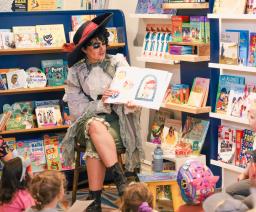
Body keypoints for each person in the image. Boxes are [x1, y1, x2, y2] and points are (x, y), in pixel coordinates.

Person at [61, 13, 144, 212]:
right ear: (84, 49)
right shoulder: (77, 71)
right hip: (85, 120)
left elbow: (131, 91)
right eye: (96, 45)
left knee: (94, 140)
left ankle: (95, 202)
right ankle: (120, 180)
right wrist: (100, 103)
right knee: (93, 124)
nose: (102, 48)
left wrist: (130, 103)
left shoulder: (118, 63)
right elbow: (76, 110)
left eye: (103, 43)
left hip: (117, 120)